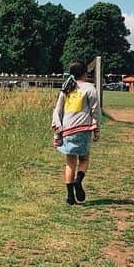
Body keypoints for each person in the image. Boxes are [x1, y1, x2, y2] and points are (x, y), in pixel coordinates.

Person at [51, 61, 101, 205]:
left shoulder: (66, 88)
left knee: (70, 163)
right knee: (84, 159)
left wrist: (57, 131)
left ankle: (70, 197)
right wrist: (96, 129)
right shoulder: (90, 88)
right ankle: (78, 181)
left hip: (67, 130)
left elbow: (58, 111)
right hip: (83, 130)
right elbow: (95, 111)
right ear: (85, 73)